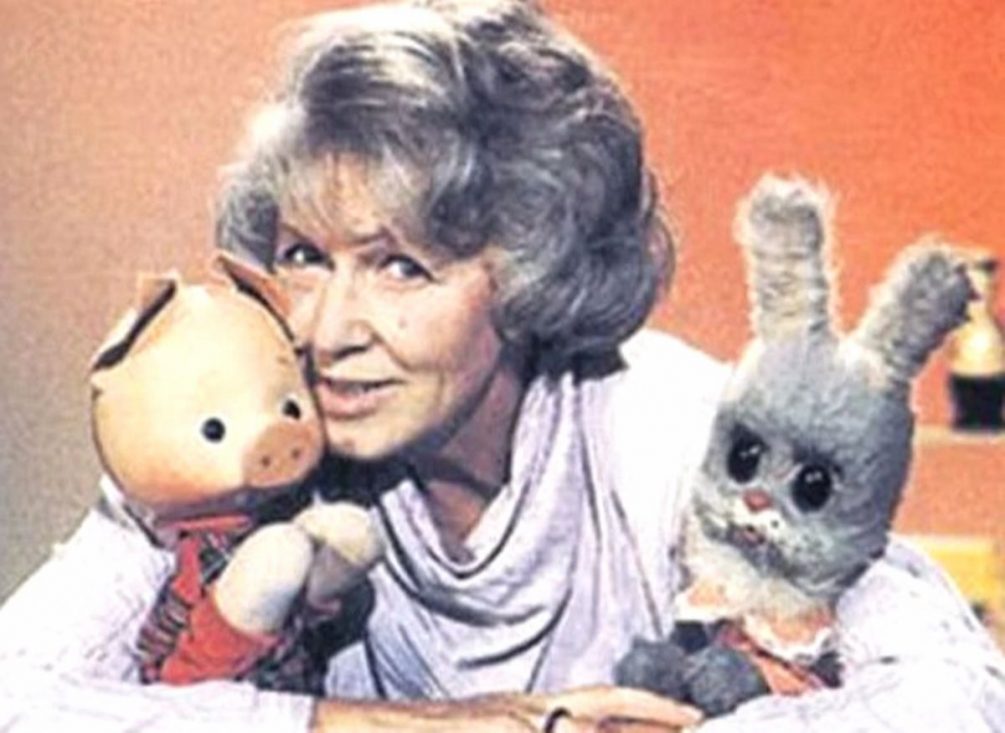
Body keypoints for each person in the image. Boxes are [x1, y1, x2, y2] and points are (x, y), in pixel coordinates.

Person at [1, 0, 1003, 731]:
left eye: (401, 266)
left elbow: (960, 702)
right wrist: (381, 724)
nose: (327, 329)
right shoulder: (245, 431)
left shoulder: (675, 428)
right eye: (305, 256)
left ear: (530, 271)